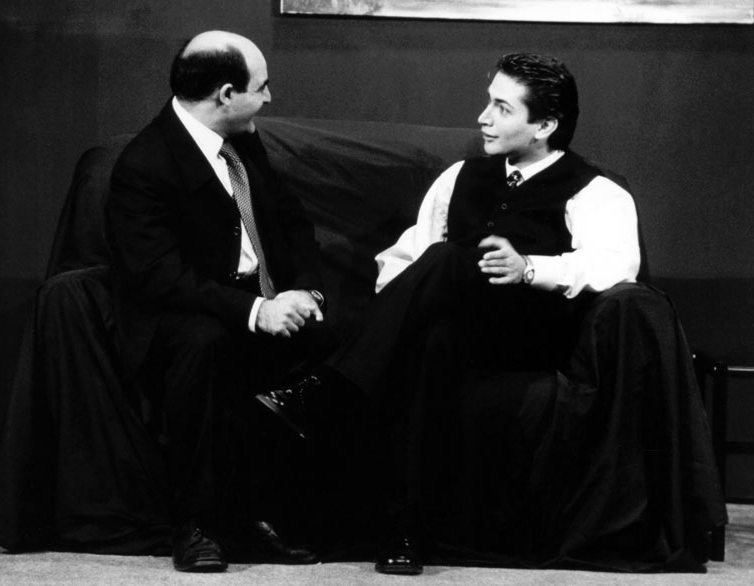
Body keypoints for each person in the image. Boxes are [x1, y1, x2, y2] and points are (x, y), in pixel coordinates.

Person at [257, 52, 640, 575]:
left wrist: (530, 267)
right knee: (429, 333)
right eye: (488, 102)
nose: (483, 118)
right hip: (456, 332)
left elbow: (616, 265)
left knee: (446, 260)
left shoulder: (595, 191)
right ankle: (405, 532)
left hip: (529, 335)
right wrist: (406, 310)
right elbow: (402, 259)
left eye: (502, 108)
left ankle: (324, 389)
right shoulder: (459, 177)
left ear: (545, 125)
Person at [106, 31, 331, 573]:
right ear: (226, 94)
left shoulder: (242, 141)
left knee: (352, 326)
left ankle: (308, 512)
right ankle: (199, 524)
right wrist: (256, 312)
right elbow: (159, 278)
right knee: (204, 345)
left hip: (255, 300)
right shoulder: (145, 163)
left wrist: (306, 290)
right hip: (180, 314)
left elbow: (293, 224)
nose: (270, 97)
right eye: (262, 86)